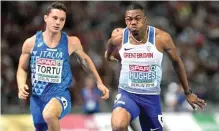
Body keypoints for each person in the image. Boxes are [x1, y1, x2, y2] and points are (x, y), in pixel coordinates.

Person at [105, 3, 206, 131]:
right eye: (129, 19)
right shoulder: (119, 38)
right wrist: (111, 56)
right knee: (118, 125)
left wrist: (188, 92)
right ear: (126, 21)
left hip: (151, 97)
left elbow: (177, 62)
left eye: (137, 18)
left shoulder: (161, 38)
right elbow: (109, 49)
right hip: (128, 94)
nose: (133, 22)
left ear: (145, 19)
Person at [16, 2, 109, 131]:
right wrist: (21, 85)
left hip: (60, 96)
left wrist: (99, 82)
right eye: (54, 18)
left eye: (62, 19)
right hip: (37, 99)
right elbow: (22, 68)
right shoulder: (31, 43)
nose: (58, 22)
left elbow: (85, 60)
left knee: (49, 114)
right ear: (46, 18)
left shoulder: (71, 42)